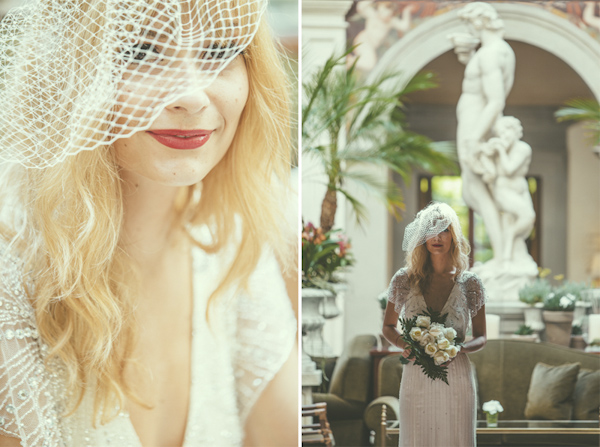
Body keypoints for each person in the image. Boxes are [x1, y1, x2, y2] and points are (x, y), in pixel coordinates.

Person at [0, 1, 297, 446]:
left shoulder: (231, 243)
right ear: (66, 72)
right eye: (140, 51)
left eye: (219, 51)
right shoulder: (13, 277)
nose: (192, 95)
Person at [383, 202, 487, 447]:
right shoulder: (404, 279)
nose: (437, 236)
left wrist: (459, 348)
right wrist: (404, 344)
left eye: (445, 230)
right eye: (431, 229)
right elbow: (388, 326)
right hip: (417, 372)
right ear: (422, 236)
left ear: (454, 236)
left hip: (457, 374)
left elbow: (482, 337)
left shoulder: (470, 283)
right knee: (417, 438)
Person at [454, 2, 515, 265]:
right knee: (473, 191)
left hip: (474, 124)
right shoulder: (495, 51)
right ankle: (502, 255)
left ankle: (502, 257)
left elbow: (495, 100)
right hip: (473, 121)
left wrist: (474, 137)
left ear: (480, 22)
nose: (468, 29)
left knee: (476, 191)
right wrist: (468, 59)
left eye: (469, 23)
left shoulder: (491, 53)